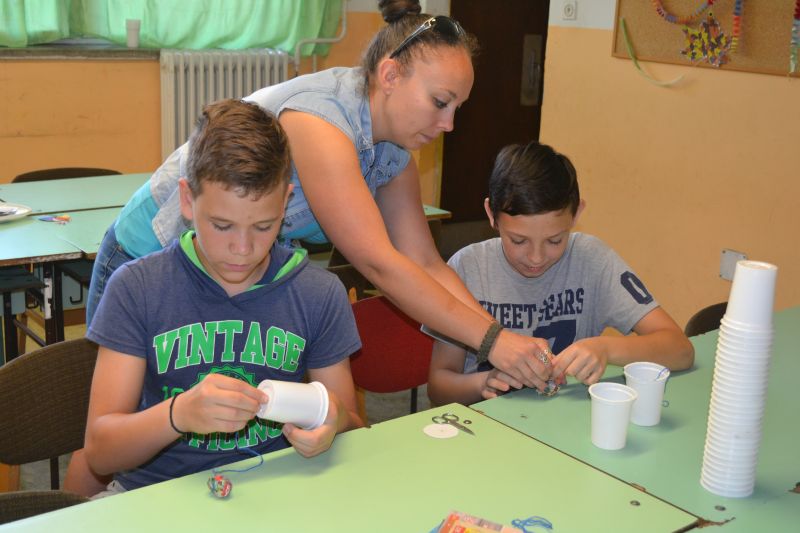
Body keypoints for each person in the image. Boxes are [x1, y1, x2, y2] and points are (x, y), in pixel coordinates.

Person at [86, 0, 554, 400]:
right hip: (148, 256)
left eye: (457, 108)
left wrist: (505, 341)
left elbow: (425, 263)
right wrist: (494, 343)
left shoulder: (393, 151)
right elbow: (380, 264)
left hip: (231, 268)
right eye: (439, 102)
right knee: (143, 420)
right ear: (390, 74)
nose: (449, 124)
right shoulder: (321, 122)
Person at [77, 99, 363, 496]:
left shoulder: (318, 293)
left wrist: (332, 423)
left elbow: (350, 423)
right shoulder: (137, 287)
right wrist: (178, 414)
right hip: (157, 494)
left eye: (263, 226)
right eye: (222, 225)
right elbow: (100, 454)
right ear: (187, 200)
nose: (242, 249)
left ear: (286, 202)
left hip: (275, 491)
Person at [427, 141, 695, 406]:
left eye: (555, 240)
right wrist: (483, 383)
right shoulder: (467, 268)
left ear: (576, 214)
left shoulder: (593, 260)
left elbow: (680, 349)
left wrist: (605, 348)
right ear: (491, 215)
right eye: (518, 241)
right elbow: (439, 388)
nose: (536, 257)